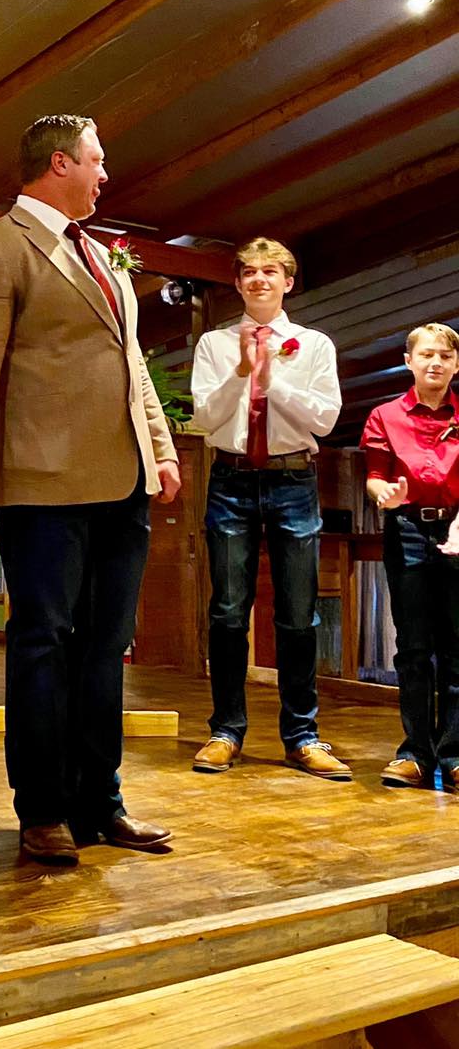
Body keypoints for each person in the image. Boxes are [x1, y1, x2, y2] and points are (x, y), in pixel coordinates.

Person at [0, 114, 180, 867]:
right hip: (42, 482)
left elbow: (131, 361)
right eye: (97, 161)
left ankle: (99, 801)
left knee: (107, 646)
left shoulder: (106, 258)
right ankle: (40, 808)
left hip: (122, 481)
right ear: (60, 161)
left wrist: (162, 448)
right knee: (43, 642)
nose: (106, 175)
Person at [190, 238, 347, 780]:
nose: (259, 279)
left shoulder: (315, 345)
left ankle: (302, 735)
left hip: (292, 479)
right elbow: (206, 419)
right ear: (237, 283)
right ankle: (226, 731)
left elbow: (324, 421)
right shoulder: (213, 343)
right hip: (231, 477)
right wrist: (240, 373)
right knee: (228, 610)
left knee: (298, 613)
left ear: (288, 281)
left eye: (271, 271)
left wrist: (271, 378)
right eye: (249, 272)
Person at [360, 322, 459, 793]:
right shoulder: (385, 415)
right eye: (426, 355)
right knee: (414, 648)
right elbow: (375, 476)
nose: (435, 362)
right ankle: (415, 754)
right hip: (408, 528)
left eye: (444, 356)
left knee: (457, 649)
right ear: (409, 361)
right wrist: (387, 496)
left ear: (456, 365)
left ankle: (456, 755)